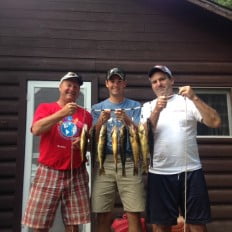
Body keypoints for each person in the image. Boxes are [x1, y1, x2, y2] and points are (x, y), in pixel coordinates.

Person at [141, 65, 221, 232]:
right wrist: (157, 110)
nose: (159, 84)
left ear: (172, 80)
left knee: (197, 223)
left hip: (190, 171)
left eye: (162, 79)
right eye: (154, 81)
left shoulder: (188, 102)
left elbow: (215, 122)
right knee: (160, 225)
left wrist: (195, 97)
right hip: (159, 173)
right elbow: (143, 136)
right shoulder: (148, 106)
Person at [22, 72, 93, 232]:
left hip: (76, 172)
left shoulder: (86, 115)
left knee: (74, 225)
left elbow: (87, 142)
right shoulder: (46, 108)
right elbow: (36, 129)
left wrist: (83, 143)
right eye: (68, 84)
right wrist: (61, 113)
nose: (72, 88)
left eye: (76, 86)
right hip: (49, 170)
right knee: (39, 224)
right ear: (60, 87)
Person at [91, 67, 146, 232]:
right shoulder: (96, 108)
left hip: (130, 160)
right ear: (107, 84)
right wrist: (100, 121)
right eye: (112, 81)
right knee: (102, 212)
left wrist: (128, 121)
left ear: (124, 84)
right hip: (104, 161)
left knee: (133, 212)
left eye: (119, 81)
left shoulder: (135, 106)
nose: (116, 84)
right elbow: (92, 137)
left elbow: (142, 134)